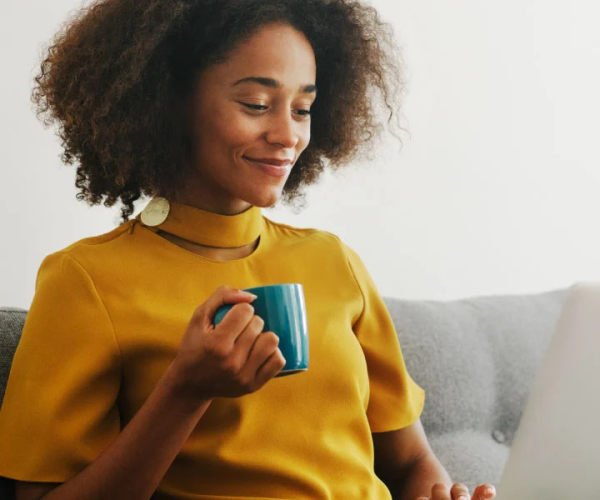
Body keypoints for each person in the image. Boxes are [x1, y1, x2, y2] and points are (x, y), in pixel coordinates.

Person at [0, 0, 497, 499]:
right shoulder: (86, 280)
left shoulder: (333, 262)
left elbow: (411, 461)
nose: (288, 135)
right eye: (257, 104)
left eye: (302, 109)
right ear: (169, 100)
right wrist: (186, 391)